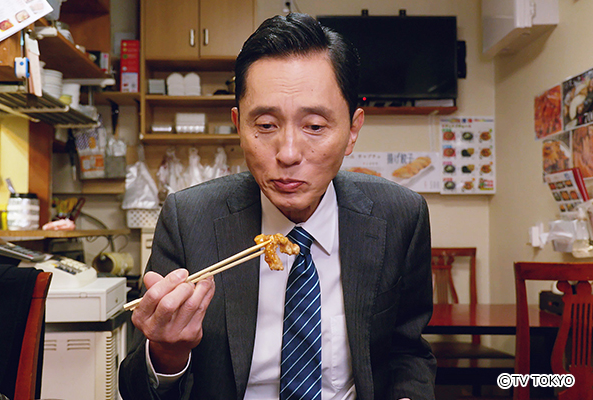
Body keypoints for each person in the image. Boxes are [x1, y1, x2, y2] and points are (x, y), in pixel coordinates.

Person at [120, 13, 435, 400]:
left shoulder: (399, 216)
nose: (288, 154)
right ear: (239, 125)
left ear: (353, 130)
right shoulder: (189, 219)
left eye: (315, 126)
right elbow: (136, 385)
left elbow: (408, 351)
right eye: (266, 125)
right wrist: (167, 353)